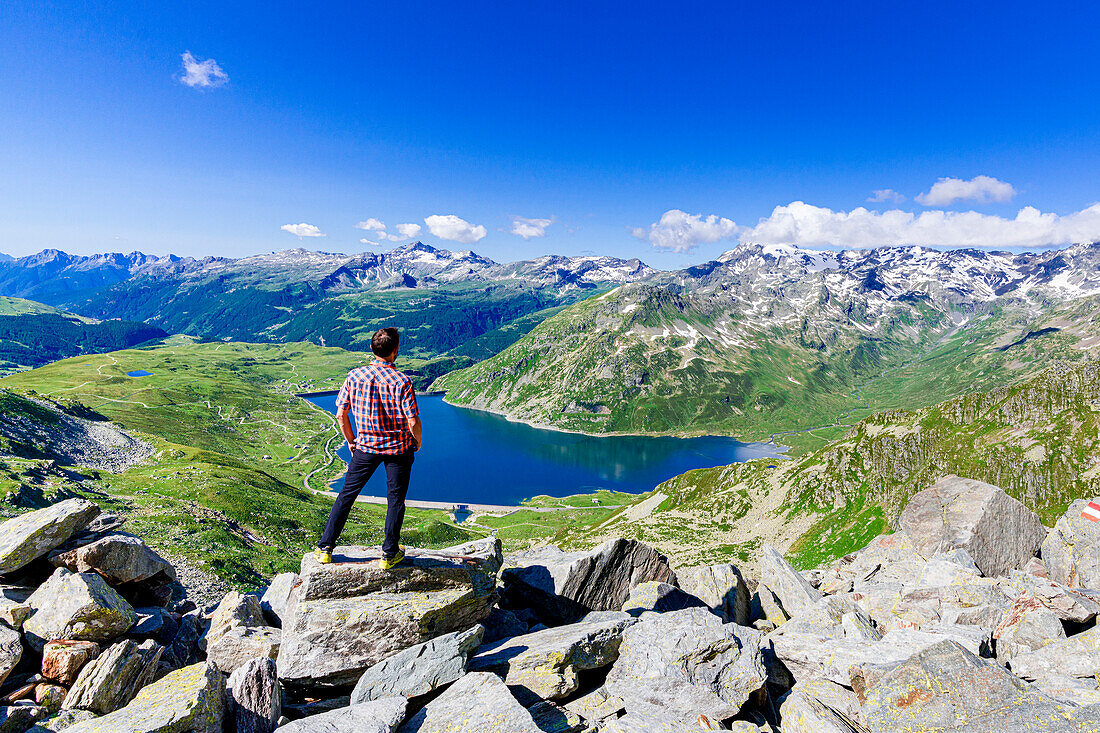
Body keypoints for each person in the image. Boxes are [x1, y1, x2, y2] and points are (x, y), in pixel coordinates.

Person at [315, 327, 422, 569]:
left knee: (346, 495)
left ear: (372, 349)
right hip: (398, 449)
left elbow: (342, 414)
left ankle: (325, 548)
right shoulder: (403, 381)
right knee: (395, 500)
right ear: (395, 351)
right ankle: (389, 553)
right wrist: (417, 441)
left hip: (365, 446)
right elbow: (413, 421)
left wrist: (351, 441)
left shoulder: (354, 376)